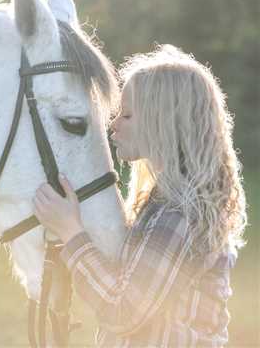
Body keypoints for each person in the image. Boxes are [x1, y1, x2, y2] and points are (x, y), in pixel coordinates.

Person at [33, 44, 247, 347]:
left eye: (128, 115)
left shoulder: (178, 212)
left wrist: (71, 232)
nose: (114, 124)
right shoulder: (165, 203)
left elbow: (124, 312)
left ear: (164, 123)